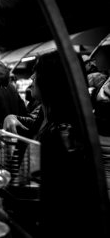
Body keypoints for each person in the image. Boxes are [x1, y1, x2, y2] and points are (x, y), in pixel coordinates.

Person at [29, 51, 104, 237]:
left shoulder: (62, 132)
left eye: (36, 71)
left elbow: (60, 200)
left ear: (50, 80)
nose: (31, 77)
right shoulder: (48, 117)